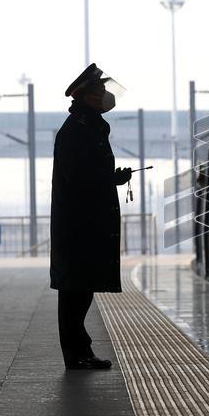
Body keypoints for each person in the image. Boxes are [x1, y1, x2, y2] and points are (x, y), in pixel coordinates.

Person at [50, 63, 133, 370]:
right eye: (100, 90)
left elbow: (88, 173)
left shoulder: (90, 127)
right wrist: (110, 178)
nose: (106, 94)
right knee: (74, 291)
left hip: (87, 222)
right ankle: (76, 355)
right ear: (87, 96)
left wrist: (110, 178)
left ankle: (81, 351)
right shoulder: (75, 131)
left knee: (82, 289)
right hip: (78, 225)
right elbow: (78, 176)